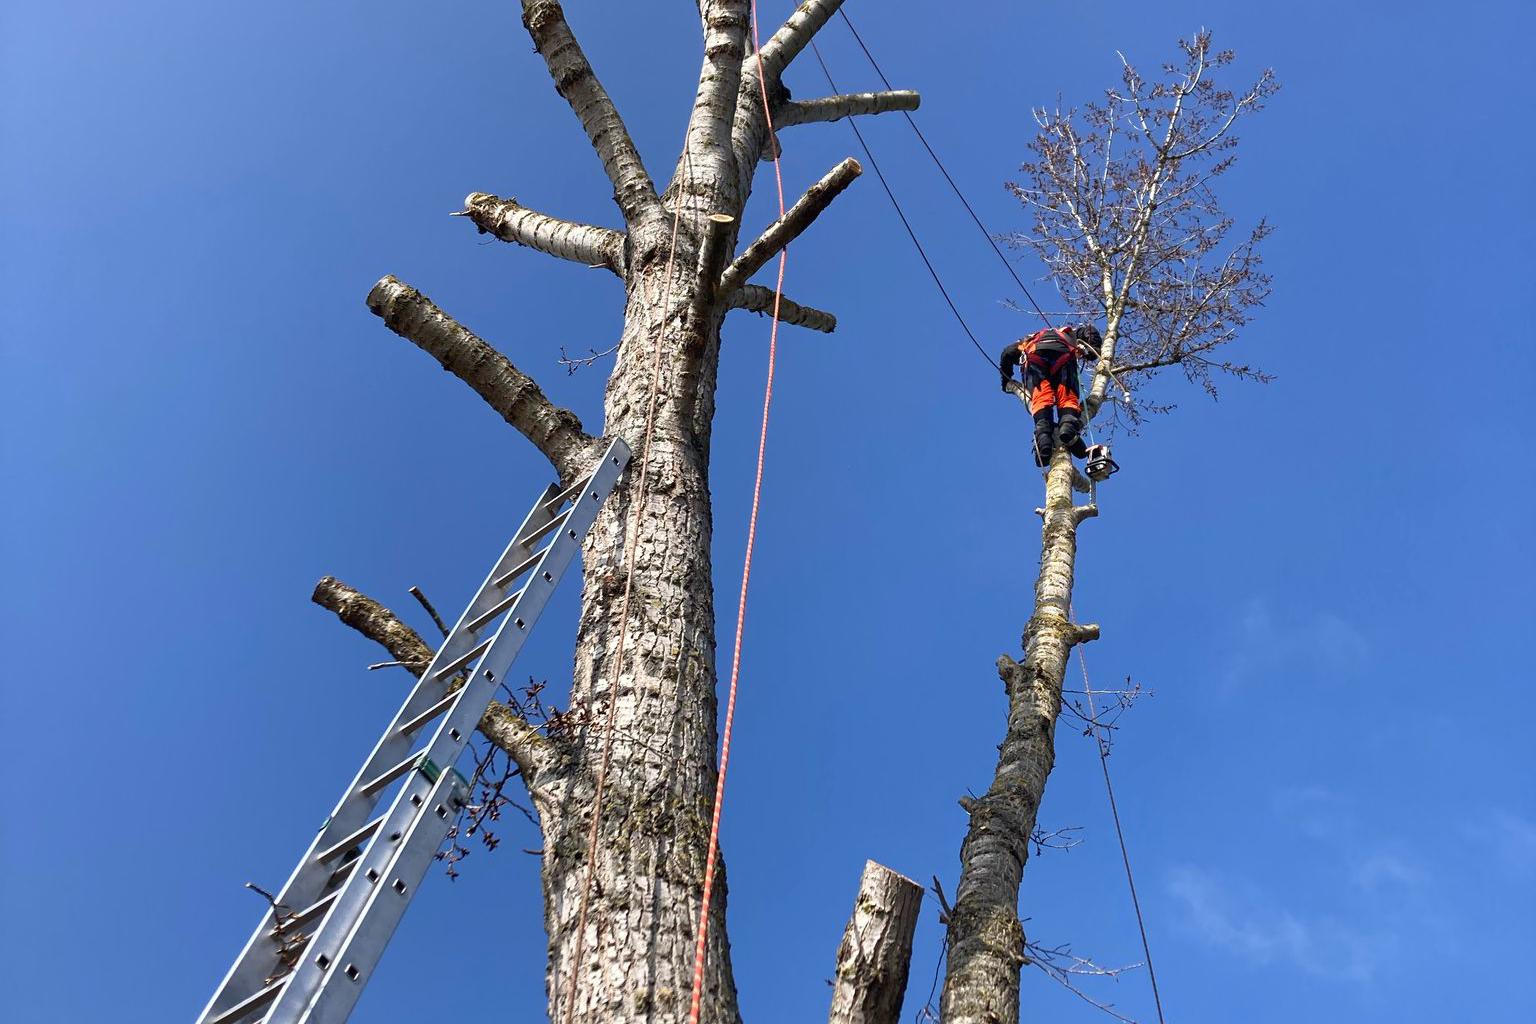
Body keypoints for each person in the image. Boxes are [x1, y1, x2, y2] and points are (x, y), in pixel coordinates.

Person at [999, 323, 1102, 466]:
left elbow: (1006, 353)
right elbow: (1089, 330)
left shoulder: (1026, 341)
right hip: (1063, 356)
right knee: (1066, 396)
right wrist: (1094, 348)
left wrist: (1006, 380)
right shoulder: (1068, 332)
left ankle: (1044, 440)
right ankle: (1068, 429)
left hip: (1034, 358)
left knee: (1041, 399)